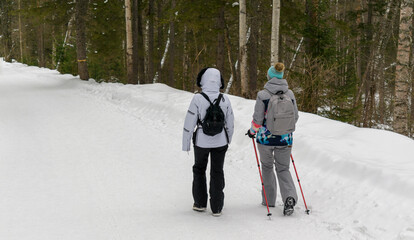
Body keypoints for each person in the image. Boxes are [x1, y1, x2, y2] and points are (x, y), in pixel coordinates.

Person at [246, 62, 299, 216]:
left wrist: (251, 131)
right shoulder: (290, 94)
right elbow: (295, 116)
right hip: (285, 139)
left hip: (265, 139)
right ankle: (289, 197)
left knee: (267, 167)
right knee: (283, 169)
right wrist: (285, 129)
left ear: (269, 77)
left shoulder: (263, 95)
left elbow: (257, 120)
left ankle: (269, 201)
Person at [182, 67, 234, 217]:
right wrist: (228, 138)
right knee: (217, 171)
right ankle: (217, 206)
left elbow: (189, 122)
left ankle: (200, 203)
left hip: (201, 142)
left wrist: (185, 144)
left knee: (199, 169)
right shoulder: (225, 99)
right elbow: (230, 122)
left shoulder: (198, 98)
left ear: (202, 80)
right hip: (220, 141)